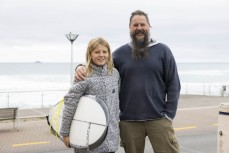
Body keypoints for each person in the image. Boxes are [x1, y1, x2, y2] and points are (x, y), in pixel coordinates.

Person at [75, 10, 181, 153]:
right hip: (129, 122)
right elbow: (99, 65)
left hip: (159, 119)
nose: (139, 28)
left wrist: (169, 114)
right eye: (135, 25)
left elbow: (173, 83)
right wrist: (80, 67)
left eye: (142, 24)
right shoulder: (119, 54)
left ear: (149, 26)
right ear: (130, 28)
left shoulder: (163, 50)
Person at [60, 37, 120, 153]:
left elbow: (117, 102)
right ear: (90, 54)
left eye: (104, 52)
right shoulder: (83, 75)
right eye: (97, 52)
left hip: (110, 139)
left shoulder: (115, 74)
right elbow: (70, 103)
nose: (101, 55)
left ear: (109, 53)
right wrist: (65, 133)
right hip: (87, 140)